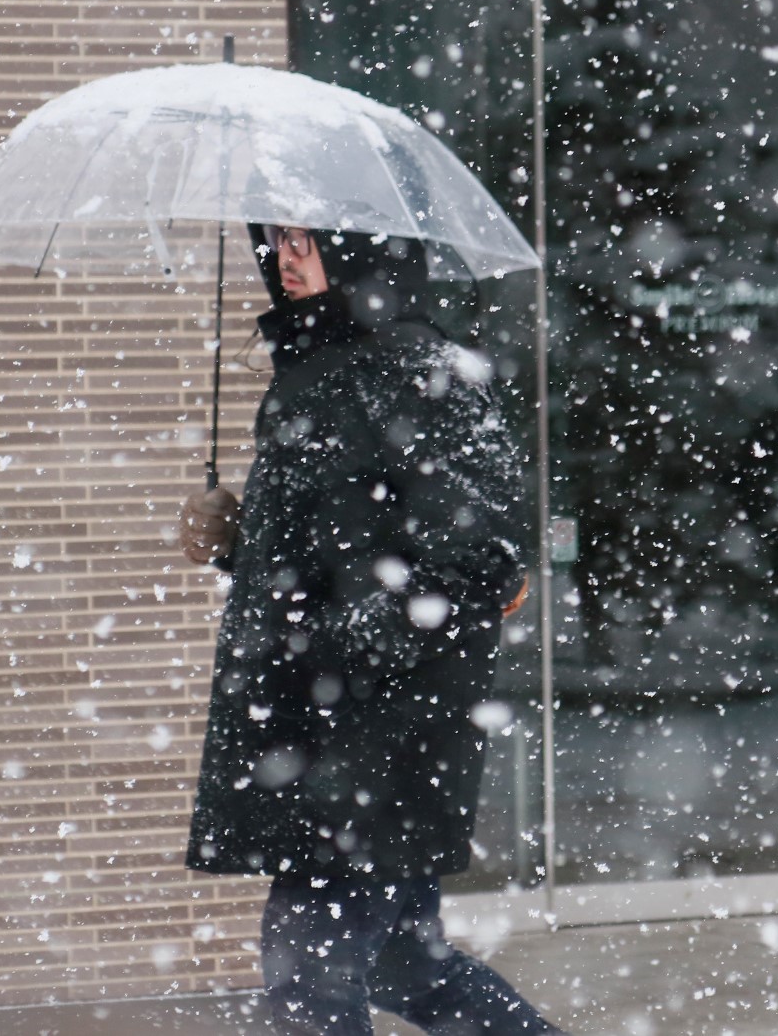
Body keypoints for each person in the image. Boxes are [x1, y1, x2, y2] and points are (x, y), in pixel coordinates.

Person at [179, 224, 564, 1036]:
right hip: (326, 724)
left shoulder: (416, 368)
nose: (287, 258)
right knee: (405, 965)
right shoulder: (311, 373)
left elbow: (479, 548)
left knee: (307, 970)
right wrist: (236, 544)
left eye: (306, 241)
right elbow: (333, 545)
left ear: (362, 248)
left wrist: (356, 645)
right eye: (277, 241)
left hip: (375, 733)